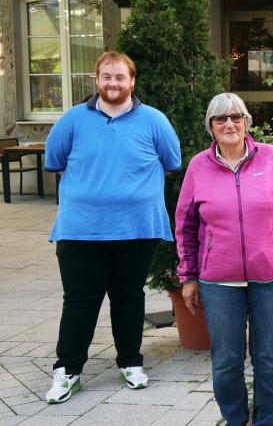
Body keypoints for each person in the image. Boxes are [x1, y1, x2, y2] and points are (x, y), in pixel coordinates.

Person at [43, 52, 181, 404]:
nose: (113, 83)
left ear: (132, 81)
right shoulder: (72, 120)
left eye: (120, 77)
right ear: (97, 80)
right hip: (80, 230)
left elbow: (171, 162)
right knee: (80, 301)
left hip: (137, 228)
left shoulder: (154, 120)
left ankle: (131, 362)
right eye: (107, 76)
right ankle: (68, 370)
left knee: (129, 297)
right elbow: (55, 161)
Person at [174, 93, 273, 426]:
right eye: (221, 118)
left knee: (269, 360)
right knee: (226, 363)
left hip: (272, 277)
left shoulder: (270, 157)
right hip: (219, 282)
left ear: (247, 122)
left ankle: (265, 422)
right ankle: (235, 421)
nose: (229, 124)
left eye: (236, 117)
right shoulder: (198, 166)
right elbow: (186, 225)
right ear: (211, 126)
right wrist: (188, 276)